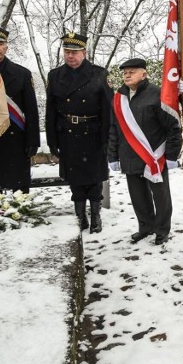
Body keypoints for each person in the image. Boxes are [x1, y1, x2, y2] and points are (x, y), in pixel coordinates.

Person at [108, 58, 182, 245]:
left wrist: (172, 155)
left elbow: (173, 127)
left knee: (160, 196)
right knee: (138, 197)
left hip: (154, 157)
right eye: (125, 72)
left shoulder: (157, 94)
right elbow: (114, 128)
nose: (127, 74)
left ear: (144, 73)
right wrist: (113, 156)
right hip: (129, 156)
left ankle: (162, 230)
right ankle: (145, 226)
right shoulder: (119, 97)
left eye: (132, 71)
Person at [45, 32, 111, 233]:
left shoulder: (99, 74)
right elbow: (51, 111)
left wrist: (107, 138)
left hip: (93, 132)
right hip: (68, 133)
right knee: (75, 179)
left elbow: (108, 110)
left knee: (94, 177)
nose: (70, 56)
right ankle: (80, 216)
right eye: (67, 52)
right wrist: (52, 140)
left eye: (74, 52)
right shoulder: (55, 76)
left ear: (84, 52)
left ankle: (96, 216)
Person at [0, 24, 40, 195]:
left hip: (15, 137)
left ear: (6, 46)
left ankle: (20, 214)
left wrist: (33, 140)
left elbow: (31, 110)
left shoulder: (21, 74)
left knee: (18, 183)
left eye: (0, 43)